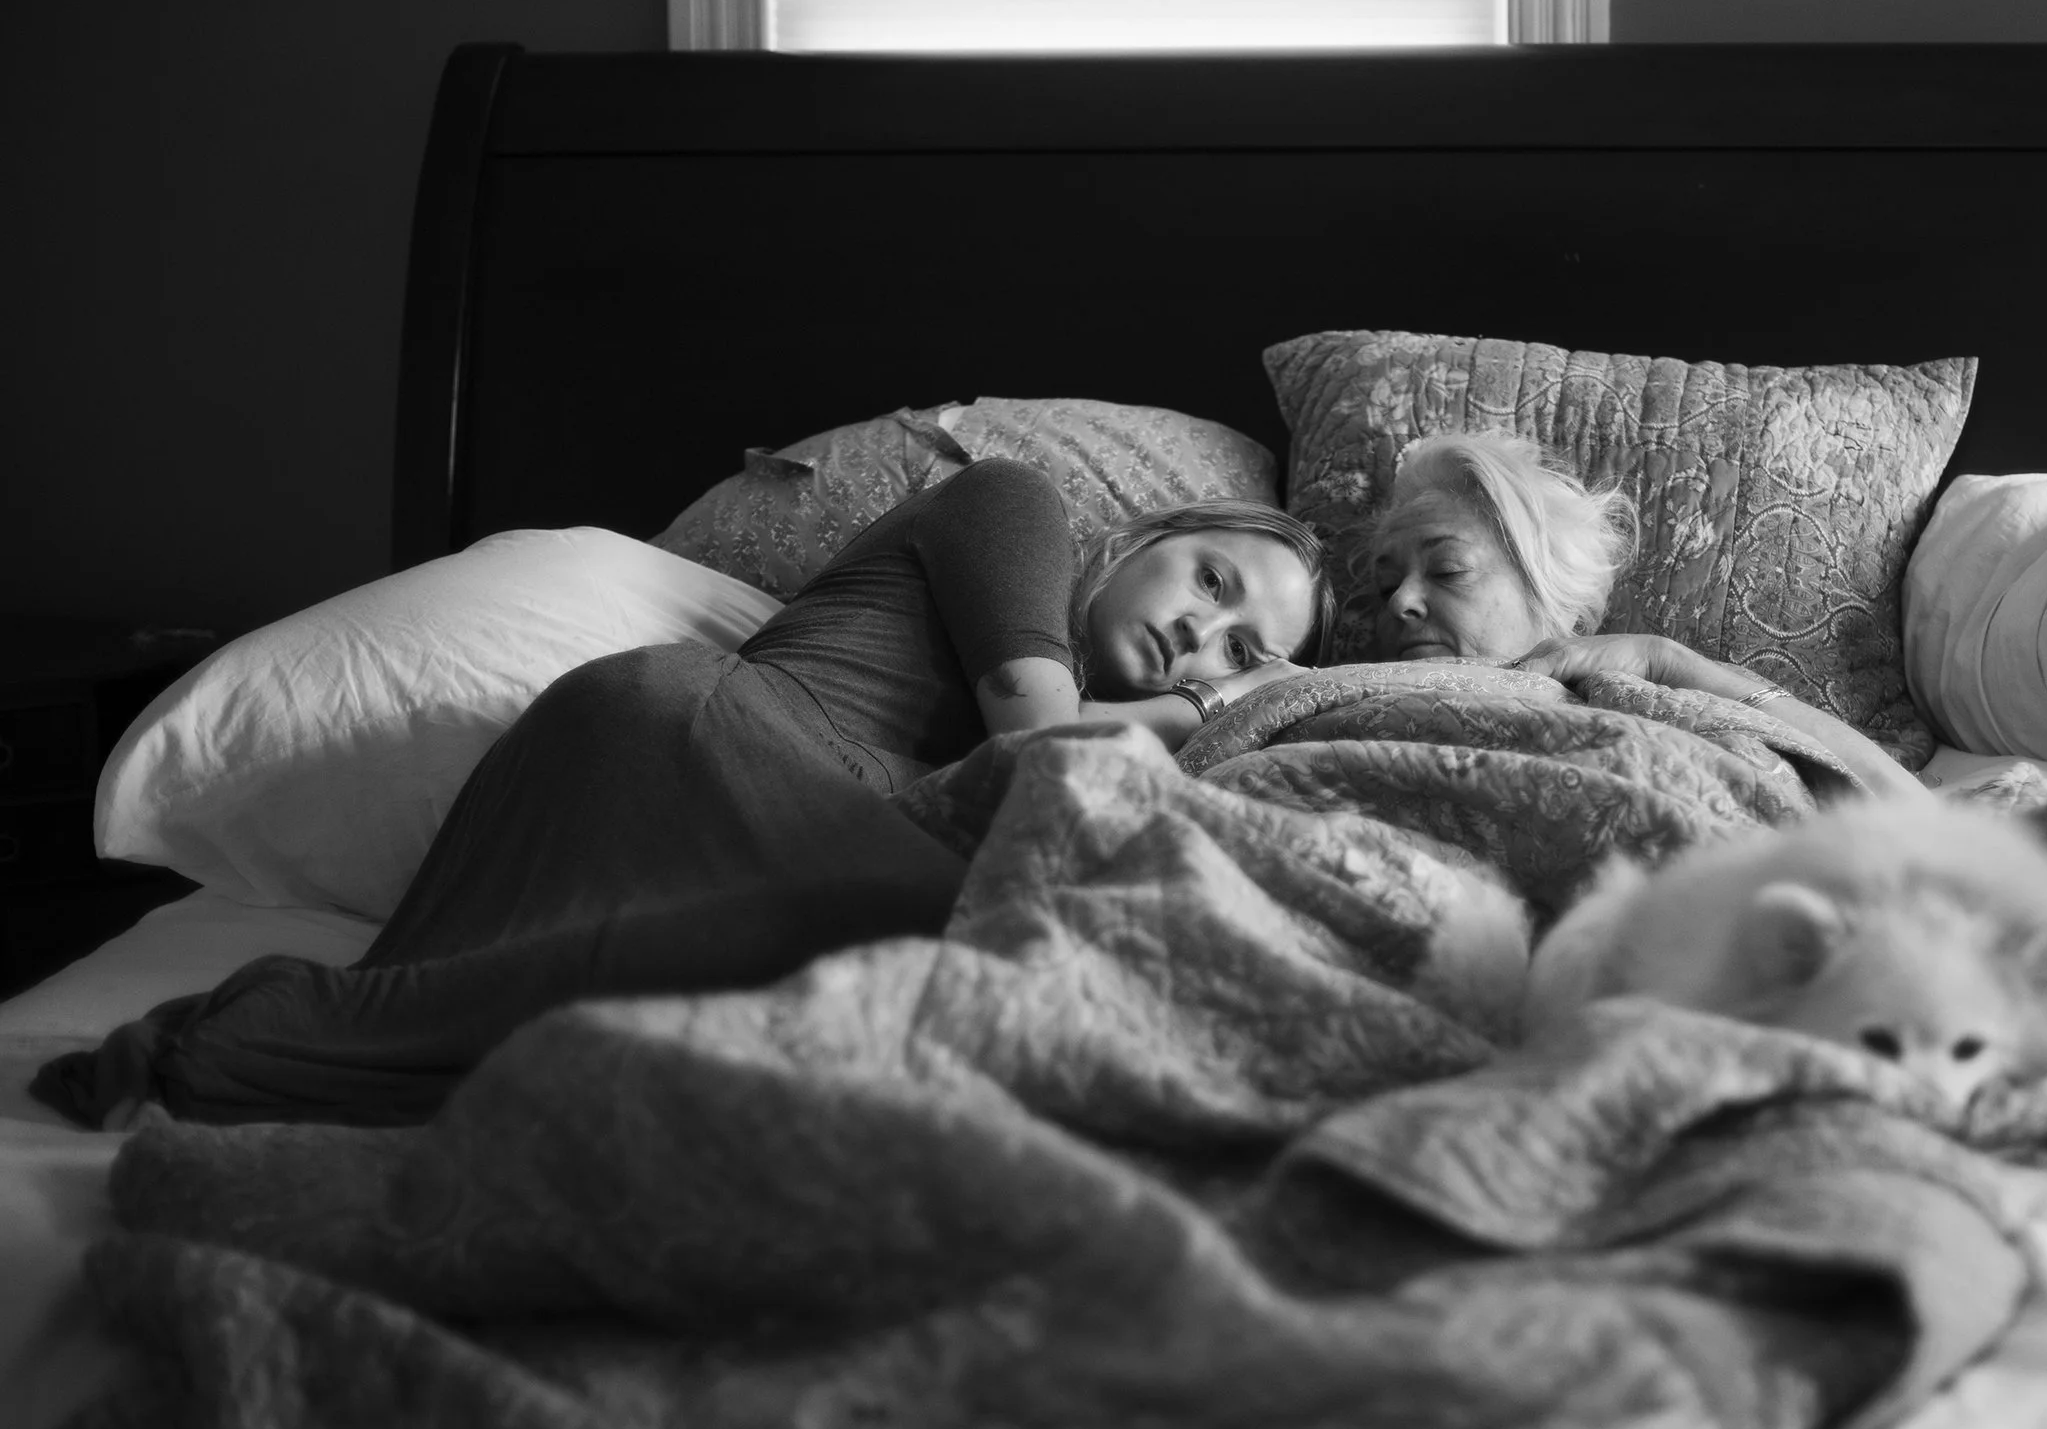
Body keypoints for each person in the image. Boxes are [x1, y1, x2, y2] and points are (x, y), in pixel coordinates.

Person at [36, 459, 1333, 1127]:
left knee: (575, 1067)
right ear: (1143, 540)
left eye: (1243, 648)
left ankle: (276, 1044)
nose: (1203, 634)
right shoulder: (1015, 504)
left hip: (786, 812)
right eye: (1211, 582)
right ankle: (259, 1042)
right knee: (972, 944)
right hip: (703, 739)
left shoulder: (1142, 735)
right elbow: (1032, 737)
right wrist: (1214, 707)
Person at [1364, 431, 1923, 800]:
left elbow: (1909, 813)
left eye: (1448, 570)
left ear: (1551, 596)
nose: (1399, 601)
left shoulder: (1661, 691)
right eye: (1385, 585)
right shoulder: (1338, 690)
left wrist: (1667, 660)